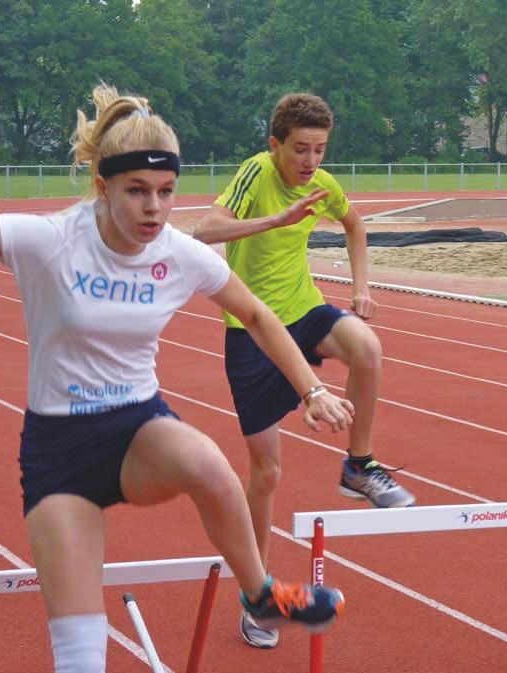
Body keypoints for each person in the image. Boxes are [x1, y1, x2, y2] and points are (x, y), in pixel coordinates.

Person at [0, 84, 351, 673]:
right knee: (80, 655)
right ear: (103, 186)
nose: (154, 208)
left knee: (207, 463)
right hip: (59, 455)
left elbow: (256, 313)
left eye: (167, 192)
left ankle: (260, 594)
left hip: (137, 431)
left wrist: (312, 388)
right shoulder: (51, 240)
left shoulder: (178, 252)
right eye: (137, 192)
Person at [193, 93, 415, 649]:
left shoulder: (325, 184)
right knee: (266, 474)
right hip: (251, 330)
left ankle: (358, 466)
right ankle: (258, 594)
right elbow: (205, 230)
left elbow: (355, 225)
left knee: (367, 348)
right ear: (275, 145)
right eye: (300, 150)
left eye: (319, 150)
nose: (310, 161)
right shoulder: (256, 172)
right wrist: (277, 218)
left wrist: (362, 286)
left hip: (304, 310)